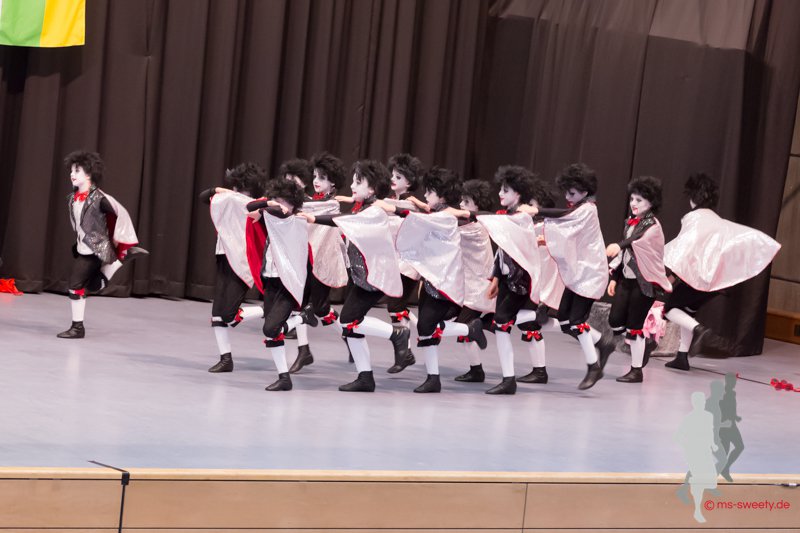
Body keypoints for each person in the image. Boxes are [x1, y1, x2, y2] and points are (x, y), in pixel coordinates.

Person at [299, 160, 411, 392]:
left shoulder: (374, 211)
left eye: (358, 182)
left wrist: (313, 218)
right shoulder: (365, 207)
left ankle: (397, 333)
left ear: (372, 189)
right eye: (353, 181)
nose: (351, 186)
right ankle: (365, 376)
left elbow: (344, 221)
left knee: (348, 321)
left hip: (374, 278)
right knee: (351, 327)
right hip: (362, 276)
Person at [662, 174, 780, 370]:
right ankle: (682, 356)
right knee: (686, 312)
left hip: (698, 278)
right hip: (715, 281)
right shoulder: (716, 221)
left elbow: (684, 250)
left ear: (692, 197)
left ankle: (699, 331)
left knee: (670, 308)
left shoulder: (693, 219)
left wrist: (671, 276)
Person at [386, 167, 488, 392]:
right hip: (433, 281)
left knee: (426, 326)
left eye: (429, 192)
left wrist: (390, 208)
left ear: (441, 196)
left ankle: (468, 332)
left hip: (445, 283)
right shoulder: (443, 215)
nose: (425, 195)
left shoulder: (447, 218)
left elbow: (418, 219)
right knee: (426, 329)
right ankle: (434, 378)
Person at [519, 163, 614, 390]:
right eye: (567, 192)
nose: (567, 197)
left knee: (576, 322)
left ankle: (593, 366)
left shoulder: (588, 209)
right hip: (578, 273)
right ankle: (602, 342)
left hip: (589, 274)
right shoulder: (579, 209)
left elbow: (563, 216)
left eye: (572, 193)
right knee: (564, 321)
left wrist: (536, 212)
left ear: (585, 190)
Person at [57, 151, 148, 339]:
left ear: (89, 174)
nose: (72, 174)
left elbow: (119, 214)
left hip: (95, 249)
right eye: (71, 171)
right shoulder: (73, 198)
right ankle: (119, 261)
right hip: (83, 246)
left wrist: (120, 240)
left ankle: (77, 328)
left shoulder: (100, 199)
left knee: (75, 285)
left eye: (77, 171)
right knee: (92, 285)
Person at [246, 179, 316, 391]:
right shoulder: (271, 216)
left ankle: (302, 317)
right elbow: (249, 207)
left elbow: (282, 215)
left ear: (293, 203)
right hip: (270, 280)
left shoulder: (296, 221)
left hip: (288, 284)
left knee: (271, 327)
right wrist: (269, 202)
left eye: (283, 199)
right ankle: (284, 377)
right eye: (276, 198)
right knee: (271, 333)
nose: (278, 203)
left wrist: (274, 207)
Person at [201, 163, 268, 372]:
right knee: (218, 314)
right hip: (224, 257)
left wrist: (219, 192)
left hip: (242, 262)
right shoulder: (230, 199)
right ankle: (225, 358)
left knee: (229, 314)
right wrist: (217, 190)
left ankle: (266, 310)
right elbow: (205, 196)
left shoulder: (258, 206)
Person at [605, 176, 672, 383]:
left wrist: (619, 244)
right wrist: (615, 277)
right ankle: (645, 344)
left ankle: (636, 371)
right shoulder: (629, 222)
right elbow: (625, 253)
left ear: (651, 203)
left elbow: (637, 239)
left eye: (639, 200)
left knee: (634, 326)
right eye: (632, 199)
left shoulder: (653, 226)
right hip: (626, 280)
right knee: (615, 320)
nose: (633, 203)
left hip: (644, 284)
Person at [287, 152, 349, 373]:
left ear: (333, 182)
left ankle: (349, 337)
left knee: (321, 308)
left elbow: (324, 226)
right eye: (314, 176)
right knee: (300, 303)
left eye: (322, 177)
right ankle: (303, 350)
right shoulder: (310, 202)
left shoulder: (331, 205)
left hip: (324, 260)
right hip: (307, 258)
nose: (316, 181)